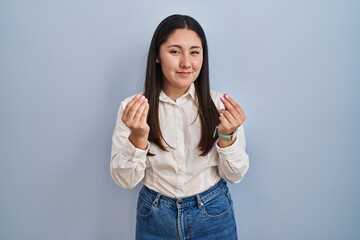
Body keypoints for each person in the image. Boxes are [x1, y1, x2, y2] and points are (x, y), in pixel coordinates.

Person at [110, 14, 249, 240]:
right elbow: (124, 180)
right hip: (155, 216)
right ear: (157, 55)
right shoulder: (133, 108)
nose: (186, 63)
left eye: (195, 52)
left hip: (213, 214)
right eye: (175, 51)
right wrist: (137, 137)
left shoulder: (219, 106)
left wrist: (227, 136)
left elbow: (235, 175)